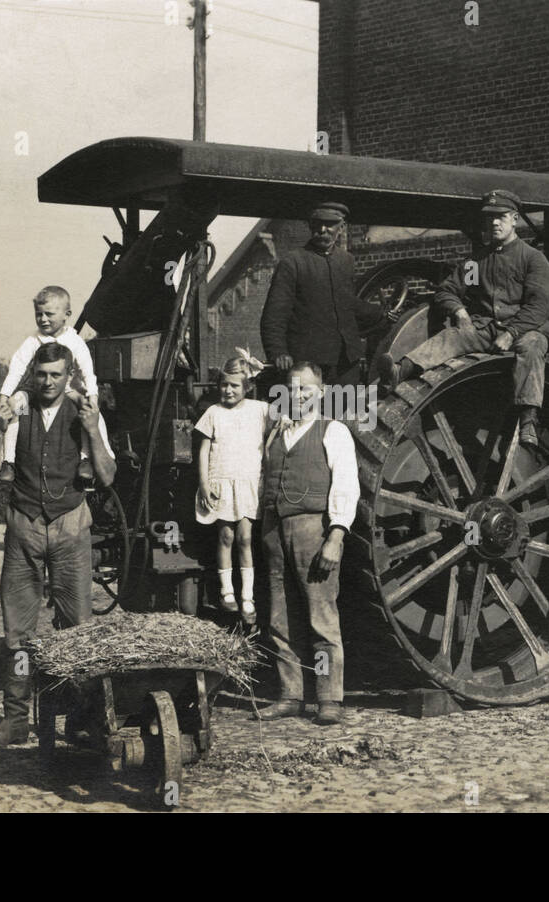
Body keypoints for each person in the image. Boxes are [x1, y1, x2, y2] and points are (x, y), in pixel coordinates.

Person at [0, 342, 117, 747]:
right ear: (32, 374)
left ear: (69, 374)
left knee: (77, 630)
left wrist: (92, 431)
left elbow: (107, 477)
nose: (48, 381)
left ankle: (80, 718)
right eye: (41, 374)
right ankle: (16, 718)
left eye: (56, 374)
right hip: (23, 526)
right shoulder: (17, 413)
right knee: (17, 633)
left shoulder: (85, 414)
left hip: (71, 527)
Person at [376, 189, 549, 452]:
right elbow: (447, 290)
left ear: (514, 219)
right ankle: (398, 372)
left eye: (501, 217)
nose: (494, 223)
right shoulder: (477, 262)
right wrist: (459, 312)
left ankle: (528, 417)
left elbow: (539, 306)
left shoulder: (532, 259)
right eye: (490, 218)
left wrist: (512, 332)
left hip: (527, 328)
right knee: (452, 337)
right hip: (485, 329)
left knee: (530, 347)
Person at [255, 361, 359, 726]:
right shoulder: (275, 434)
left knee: (321, 617)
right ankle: (290, 696)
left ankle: (329, 699)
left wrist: (336, 535)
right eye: (292, 389)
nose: (298, 396)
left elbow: (346, 485)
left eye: (306, 389)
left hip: (313, 529)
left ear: (323, 392)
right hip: (274, 529)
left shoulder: (333, 432)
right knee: (280, 619)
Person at [259, 201, 378, 385]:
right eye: (317, 223)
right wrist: (278, 352)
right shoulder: (293, 262)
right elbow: (275, 314)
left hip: (345, 362)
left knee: (343, 412)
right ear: (310, 225)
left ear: (342, 226)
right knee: (304, 412)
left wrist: (381, 314)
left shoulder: (346, 261)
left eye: (330, 224)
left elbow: (348, 304)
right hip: (307, 364)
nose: (322, 229)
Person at [194, 352, 271, 627]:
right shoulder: (213, 413)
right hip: (222, 483)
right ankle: (227, 592)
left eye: (234, 386)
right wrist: (204, 484)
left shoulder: (259, 410)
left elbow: (281, 420)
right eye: (224, 385)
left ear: (247, 387)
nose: (228, 390)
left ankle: (247, 597)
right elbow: (203, 452)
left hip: (248, 484)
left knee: (246, 539)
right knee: (225, 536)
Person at [0, 286, 99, 485]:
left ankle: (85, 460)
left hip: (69, 390)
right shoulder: (33, 340)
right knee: (16, 407)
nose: (43, 319)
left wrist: (92, 396)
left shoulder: (75, 341)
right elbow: (17, 367)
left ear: (66, 315)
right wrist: (4, 396)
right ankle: (9, 461)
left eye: (49, 314)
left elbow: (87, 370)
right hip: (34, 391)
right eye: (38, 314)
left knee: (89, 412)